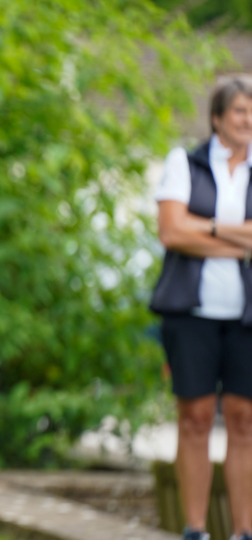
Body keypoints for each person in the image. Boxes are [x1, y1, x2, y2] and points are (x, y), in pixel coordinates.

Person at [151, 75, 252, 540]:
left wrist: (203, 229)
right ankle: (195, 531)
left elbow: (187, 229)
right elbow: (171, 232)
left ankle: (243, 532)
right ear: (216, 117)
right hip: (189, 316)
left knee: (244, 422)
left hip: (246, 319)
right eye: (239, 110)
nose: (248, 119)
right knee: (193, 420)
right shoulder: (184, 162)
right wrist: (235, 234)